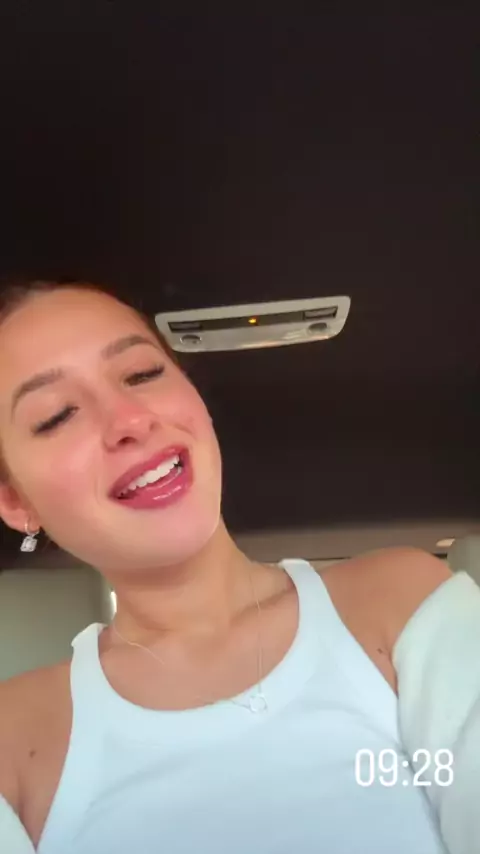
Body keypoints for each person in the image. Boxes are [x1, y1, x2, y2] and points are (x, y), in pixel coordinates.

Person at [0, 280, 455, 854]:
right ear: (16, 502)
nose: (130, 419)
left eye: (141, 374)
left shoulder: (405, 603)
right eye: (57, 415)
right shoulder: (12, 740)